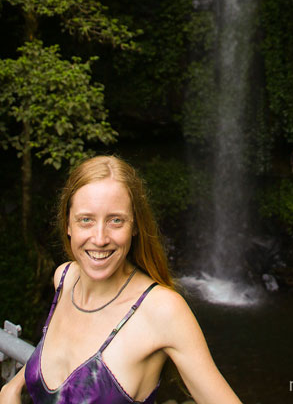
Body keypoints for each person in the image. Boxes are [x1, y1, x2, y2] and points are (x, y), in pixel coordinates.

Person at [0, 155, 243, 404]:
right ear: (67, 224)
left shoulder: (162, 310)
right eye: (86, 220)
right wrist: (13, 387)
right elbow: (55, 349)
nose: (100, 238)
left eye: (116, 220)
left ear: (135, 226)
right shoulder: (65, 277)